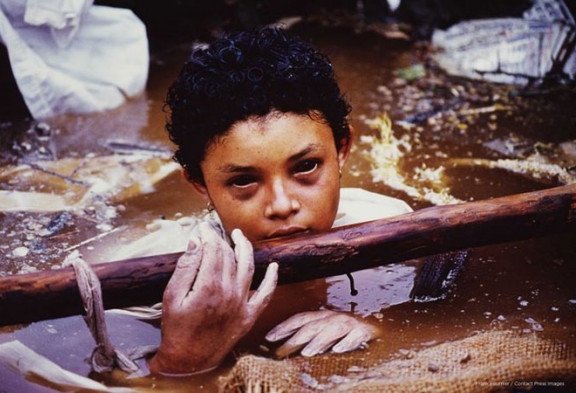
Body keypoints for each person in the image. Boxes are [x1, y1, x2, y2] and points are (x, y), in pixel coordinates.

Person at [114, 27, 412, 376]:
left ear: (342, 149)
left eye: (306, 167)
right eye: (243, 181)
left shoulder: (391, 229)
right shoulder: (141, 286)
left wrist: (377, 326)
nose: (282, 205)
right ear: (199, 183)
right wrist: (182, 360)